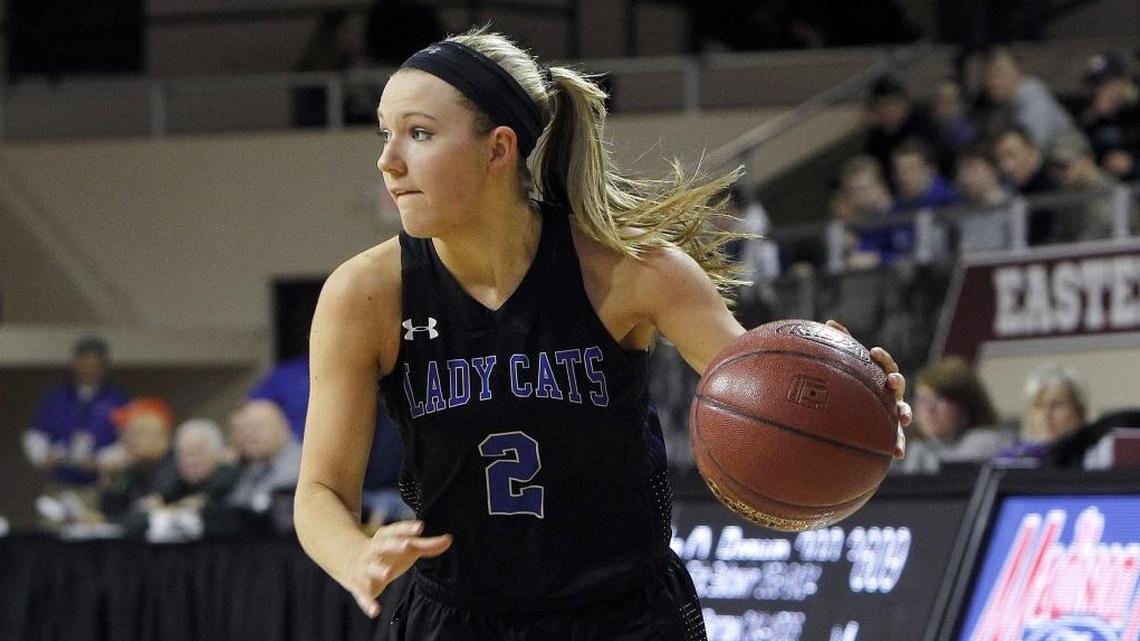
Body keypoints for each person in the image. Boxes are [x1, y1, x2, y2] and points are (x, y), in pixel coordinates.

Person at [293, 29, 911, 640]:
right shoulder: (365, 295)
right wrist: (354, 556)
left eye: (419, 133)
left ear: (498, 148)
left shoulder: (631, 269)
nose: (387, 160)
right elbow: (320, 489)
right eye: (385, 133)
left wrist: (841, 393)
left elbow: (763, 393)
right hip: (458, 616)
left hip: (626, 614)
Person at [23, 336, 131, 495]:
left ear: (104, 366)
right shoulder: (57, 398)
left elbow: (128, 442)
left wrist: (102, 461)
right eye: (85, 364)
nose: (89, 370)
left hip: (100, 484)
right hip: (61, 480)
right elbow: (37, 434)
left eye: (95, 365)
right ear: (75, 364)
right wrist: (44, 456)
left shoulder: (118, 400)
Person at [893, 356, 1012, 474]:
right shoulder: (915, 450)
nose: (929, 409)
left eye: (940, 400)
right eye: (923, 400)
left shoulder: (985, 443)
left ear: (967, 406)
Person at [982, 47, 1077, 152]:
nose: (991, 82)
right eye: (988, 75)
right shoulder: (1003, 102)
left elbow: (1035, 146)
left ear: (1017, 71)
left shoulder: (1033, 96)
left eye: (998, 74)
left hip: (1067, 156)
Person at [996, 364, 1089, 463]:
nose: (1046, 414)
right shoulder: (1012, 459)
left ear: (1079, 412)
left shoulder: (1096, 458)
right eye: (1038, 406)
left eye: (1056, 405)